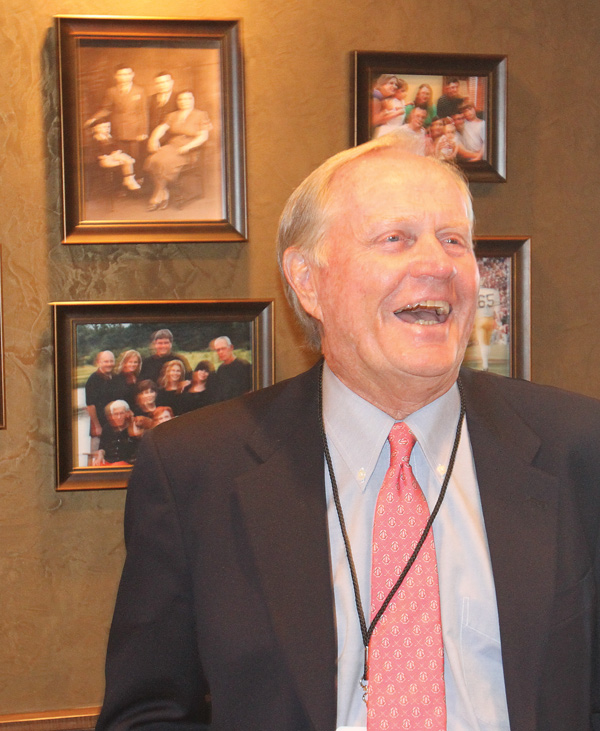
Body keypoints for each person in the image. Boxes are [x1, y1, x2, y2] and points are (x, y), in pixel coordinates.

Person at [97, 136, 600, 731]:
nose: (437, 265)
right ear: (308, 281)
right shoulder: (193, 469)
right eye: (396, 238)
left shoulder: (580, 448)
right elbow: (148, 714)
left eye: (454, 240)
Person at [144, 89, 212, 211]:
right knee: (153, 159)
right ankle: (163, 191)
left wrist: (188, 147)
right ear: (177, 101)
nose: (184, 101)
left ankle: (157, 194)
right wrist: (153, 139)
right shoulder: (172, 115)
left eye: (188, 98)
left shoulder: (201, 115)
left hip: (190, 149)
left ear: (193, 100)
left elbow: (203, 136)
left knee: (163, 162)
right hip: (172, 146)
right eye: (181, 99)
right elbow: (161, 128)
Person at [85, 64, 148, 172]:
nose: (124, 77)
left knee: (134, 156)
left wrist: (143, 131)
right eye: (121, 74)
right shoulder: (111, 91)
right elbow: (106, 109)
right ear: (116, 76)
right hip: (117, 129)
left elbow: (143, 112)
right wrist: (93, 118)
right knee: (120, 154)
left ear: (132, 75)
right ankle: (121, 182)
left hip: (134, 129)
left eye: (127, 74)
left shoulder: (139, 91)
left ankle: (135, 179)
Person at [88, 121, 141, 191]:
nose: (107, 129)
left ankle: (129, 178)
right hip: (103, 159)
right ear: (96, 129)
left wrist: (117, 151)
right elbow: (94, 152)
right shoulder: (95, 139)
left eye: (108, 127)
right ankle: (122, 165)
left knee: (123, 156)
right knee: (109, 162)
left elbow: (117, 147)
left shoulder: (110, 137)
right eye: (103, 127)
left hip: (113, 156)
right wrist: (104, 156)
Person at [84, 350, 116, 454]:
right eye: (106, 361)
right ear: (99, 362)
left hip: (112, 424)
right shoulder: (93, 380)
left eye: (111, 361)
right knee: (96, 453)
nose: (109, 364)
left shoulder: (114, 377)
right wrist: (96, 426)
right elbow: (90, 405)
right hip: (99, 424)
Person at [93, 399, 139, 466]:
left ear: (127, 414)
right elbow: (102, 447)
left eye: (121, 413)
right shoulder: (107, 428)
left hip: (129, 464)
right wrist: (100, 455)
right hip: (110, 463)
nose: (119, 417)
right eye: (115, 414)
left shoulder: (133, 426)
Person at [212, 335, 252, 401]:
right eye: (218, 350)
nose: (220, 352)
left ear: (231, 347)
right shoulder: (220, 370)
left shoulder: (244, 365)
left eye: (223, 348)